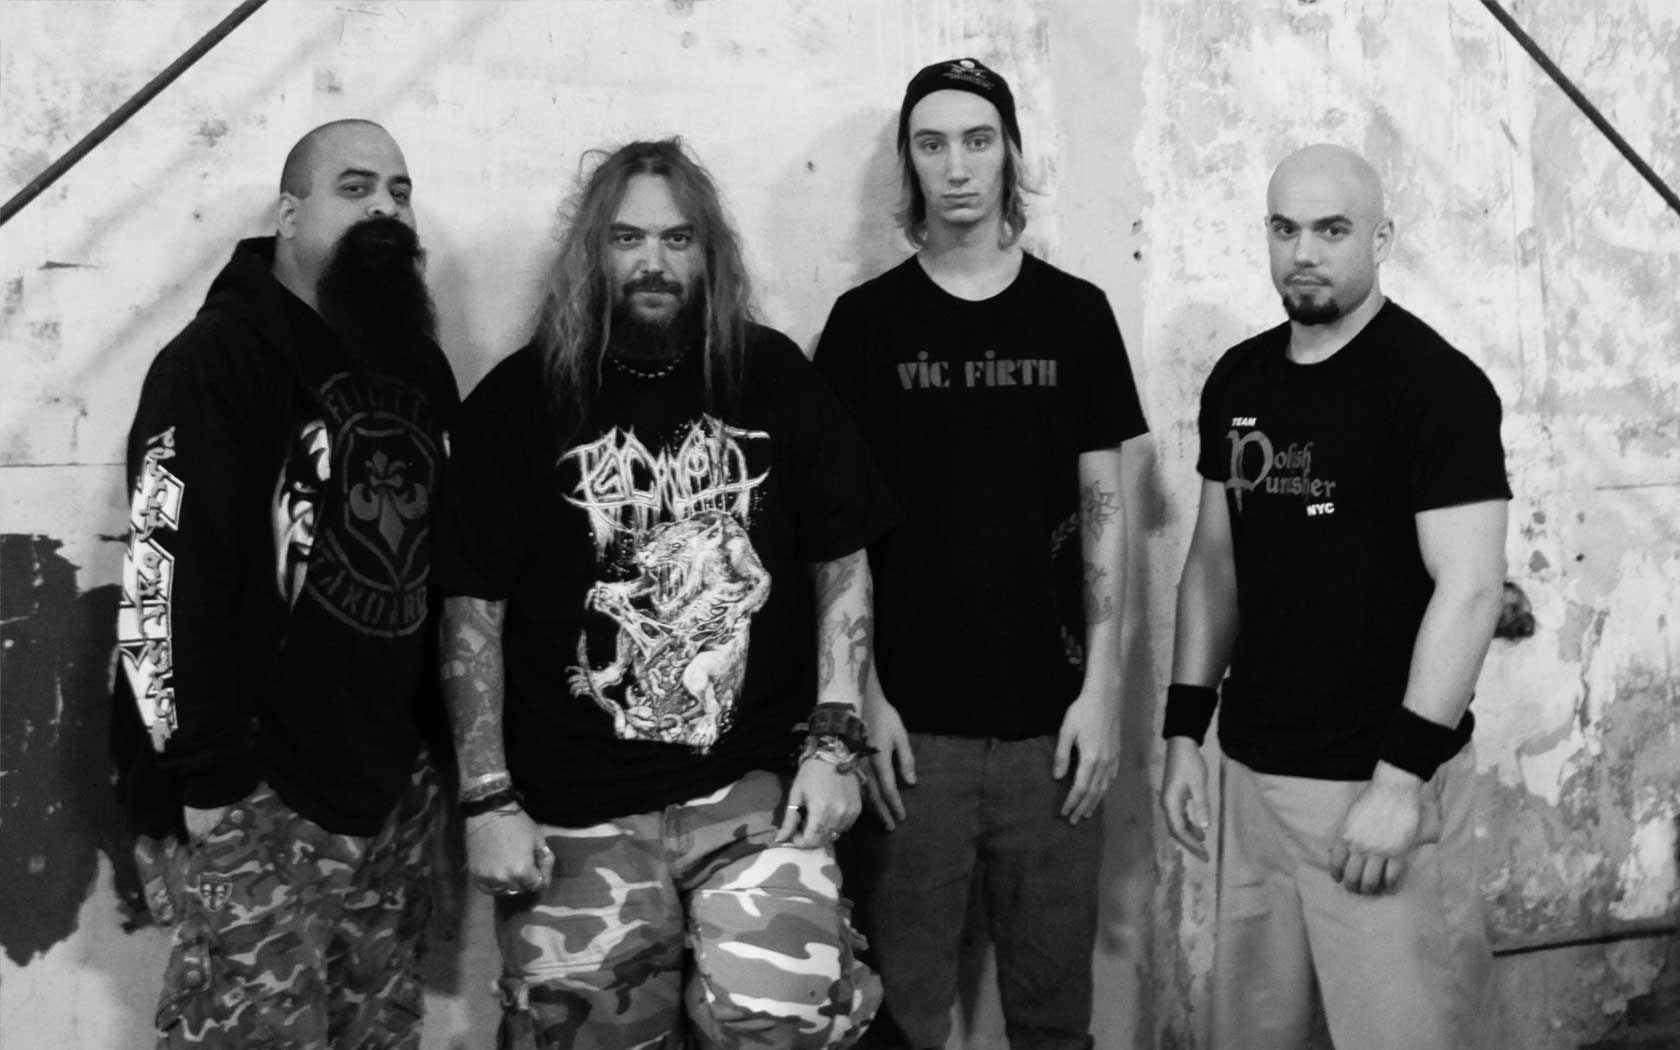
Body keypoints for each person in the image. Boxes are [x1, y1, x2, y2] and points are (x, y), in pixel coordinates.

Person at [433, 138, 892, 1050]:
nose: (653, 262)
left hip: (750, 791)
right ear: (592, 252)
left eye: (678, 239)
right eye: (628, 238)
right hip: (574, 809)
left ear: (708, 254)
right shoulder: (520, 400)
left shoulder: (771, 377)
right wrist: (486, 800)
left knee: (789, 1020)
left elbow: (842, 561)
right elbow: (470, 616)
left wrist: (835, 741)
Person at [812, 59, 1148, 1050]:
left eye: (977, 140)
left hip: (1054, 732)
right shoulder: (865, 327)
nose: (956, 167)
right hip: (910, 737)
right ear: (910, 165)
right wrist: (861, 698)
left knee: (1053, 1016)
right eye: (932, 144)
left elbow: (1105, 511)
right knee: (901, 1015)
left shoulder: (1075, 315)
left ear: (1009, 155)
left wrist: (1104, 692)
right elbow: (835, 536)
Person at [112, 119, 459, 1048]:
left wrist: (437, 759)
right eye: (355, 187)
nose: (385, 207)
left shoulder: (418, 366)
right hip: (259, 793)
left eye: (399, 190)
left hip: (391, 792)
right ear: (289, 213)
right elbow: (162, 576)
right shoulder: (217, 359)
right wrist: (208, 778)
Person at [1157, 143, 1509, 1050]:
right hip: (1255, 777)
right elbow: (1215, 564)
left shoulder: (1436, 386)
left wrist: (1401, 781)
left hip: (1373, 787)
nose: (1304, 252)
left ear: (1380, 239)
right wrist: (1185, 733)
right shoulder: (1239, 379)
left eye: (1331, 230)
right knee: (1257, 1034)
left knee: (1408, 1034)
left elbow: (1471, 589)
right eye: (1285, 229)